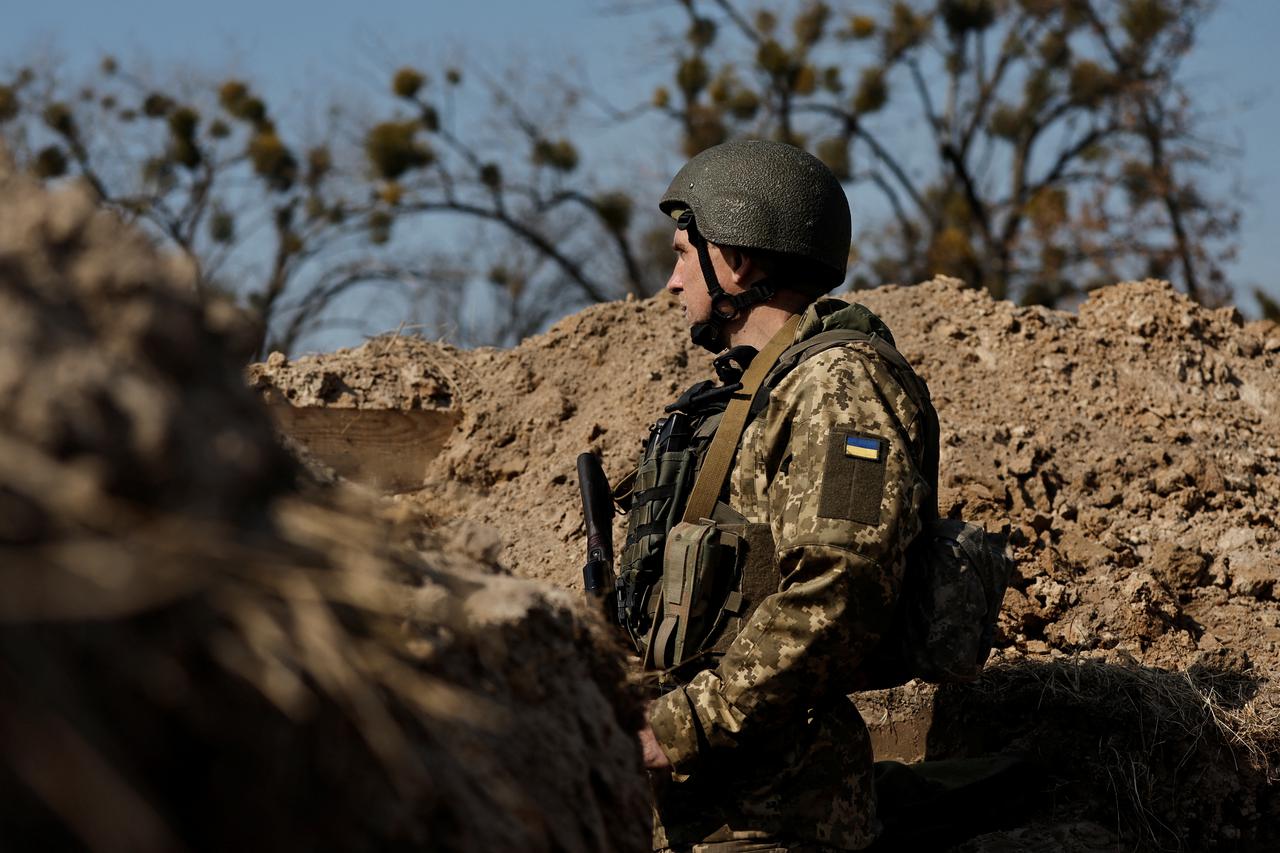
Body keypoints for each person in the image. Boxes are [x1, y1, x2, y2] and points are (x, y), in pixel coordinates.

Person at [617, 140, 934, 852]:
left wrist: (676, 729)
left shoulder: (839, 387)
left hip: (780, 817)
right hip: (705, 809)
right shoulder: (750, 394)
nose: (671, 283)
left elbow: (839, 592)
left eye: (681, 254)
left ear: (737, 259)